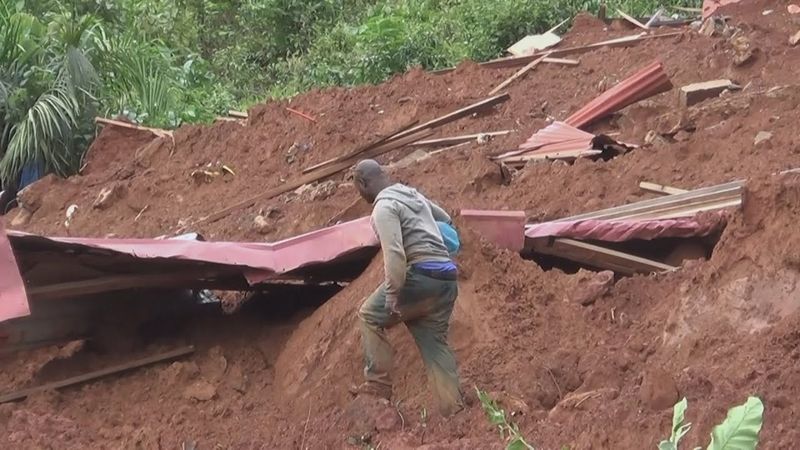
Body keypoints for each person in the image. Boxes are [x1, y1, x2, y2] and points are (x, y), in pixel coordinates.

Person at [350, 159, 464, 416]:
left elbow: (395, 253)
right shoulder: (411, 194)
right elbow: (445, 218)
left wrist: (392, 293)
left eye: (358, 188)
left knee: (368, 315)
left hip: (420, 276)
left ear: (363, 183)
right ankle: (454, 412)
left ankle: (377, 386)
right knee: (434, 343)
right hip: (446, 278)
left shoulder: (384, 207)